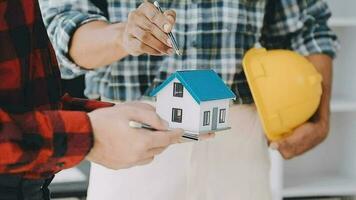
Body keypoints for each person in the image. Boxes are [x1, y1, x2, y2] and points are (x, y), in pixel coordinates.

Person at [39, 0, 338, 199]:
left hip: (239, 143)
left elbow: (308, 27)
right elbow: (59, 30)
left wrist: (320, 117)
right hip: (131, 137)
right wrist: (123, 36)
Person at [0, 0, 183, 199]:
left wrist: (100, 120)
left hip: (34, 181)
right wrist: (89, 134)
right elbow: (61, 26)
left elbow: (34, 99)